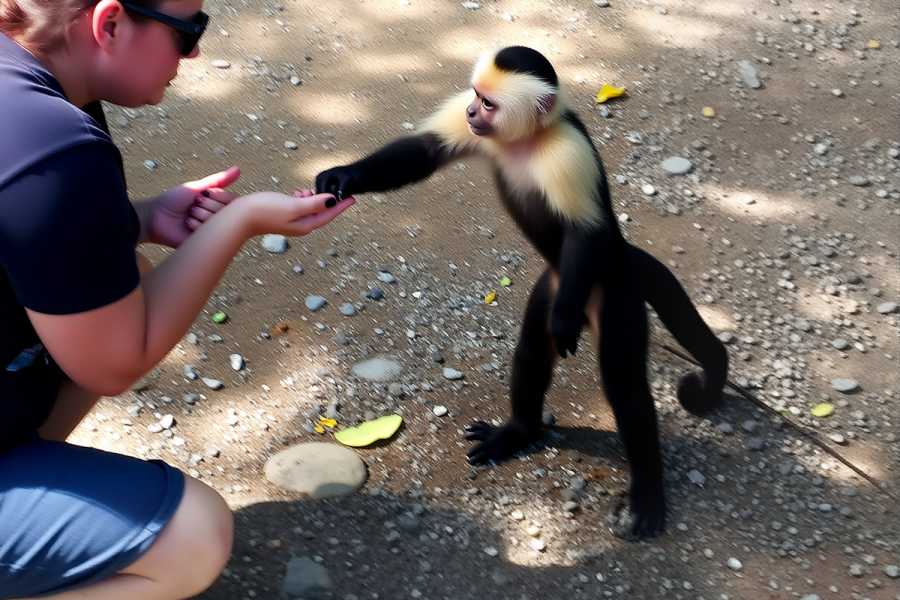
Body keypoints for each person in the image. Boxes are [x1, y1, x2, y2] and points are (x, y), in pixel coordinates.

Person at [0, 0, 354, 598]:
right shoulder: (54, 144)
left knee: (125, 277)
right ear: (108, 23)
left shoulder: (29, 83)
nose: (195, 53)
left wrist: (135, 218)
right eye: (188, 31)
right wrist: (240, 221)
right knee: (193, 537)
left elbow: (32, 230)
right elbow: (112, 363)